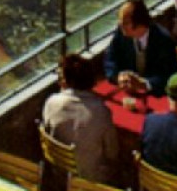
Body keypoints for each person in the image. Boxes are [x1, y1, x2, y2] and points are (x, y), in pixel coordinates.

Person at [41, 53, 119, 183]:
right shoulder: (101, 111)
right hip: (92, 180)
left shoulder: (51, 102)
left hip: (59, 175)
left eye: (60, 78)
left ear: (65, 82)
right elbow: (112, 152)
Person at [103, 0, 177, 96]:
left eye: (126, 22)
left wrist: (144, 84)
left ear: (139, 23)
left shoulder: (163, 40)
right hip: (130, 93)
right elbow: (110, 57)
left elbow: (169, 76)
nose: (120, 25)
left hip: (156, 96)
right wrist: (118, 76)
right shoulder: (121, 32)